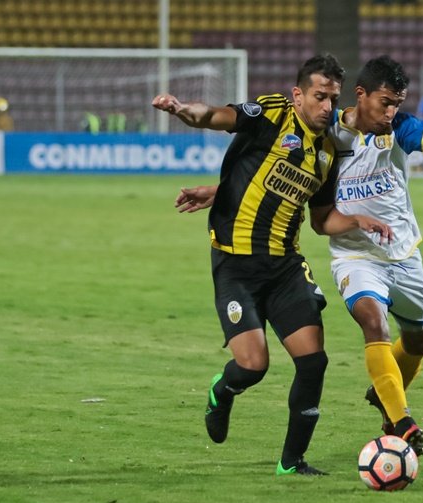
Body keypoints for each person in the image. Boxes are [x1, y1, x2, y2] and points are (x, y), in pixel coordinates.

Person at [153, 54, 392, 477]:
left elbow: (321, 220)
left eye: (332, 99)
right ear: (298, 95)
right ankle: (222, 391)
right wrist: (181, 110)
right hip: (235, 265)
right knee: (253, 366)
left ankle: (291, 463)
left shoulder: (326, 152)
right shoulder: (272, 114)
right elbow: (215, 115)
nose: (327, 107)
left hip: (284, 268)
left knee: (313, 362)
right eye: (319, 96)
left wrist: (357, 220)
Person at [312, 55, 423, 456]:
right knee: (373, 322)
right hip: (355, 256)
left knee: (418, 341)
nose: (391, 111)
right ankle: (401, 422)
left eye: (397, 103)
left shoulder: (401, 127)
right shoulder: (328, 131)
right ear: (361, 95)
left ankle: (384, 391)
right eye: (385, 102)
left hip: (403, 254)